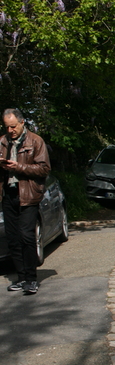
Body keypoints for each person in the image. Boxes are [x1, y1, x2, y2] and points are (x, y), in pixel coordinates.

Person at [0, 108, 51, 295]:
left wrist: (19, 167)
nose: (10, 130)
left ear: (22, 123)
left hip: (29, 195)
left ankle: (31, 278)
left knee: (26, 236)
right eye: (7, 127)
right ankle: (21, 278)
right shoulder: (2, 142)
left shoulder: (36, 141)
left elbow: (44, 168)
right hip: (9, 194)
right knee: (12, 238)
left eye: (13, 126)